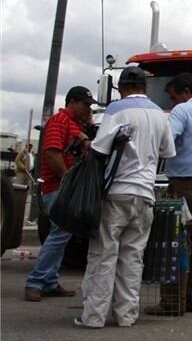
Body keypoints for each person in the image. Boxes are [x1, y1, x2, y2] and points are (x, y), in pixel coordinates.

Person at [75, 67, 175, 328]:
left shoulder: (116, 110)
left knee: (104, 254)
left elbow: (99, 148)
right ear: (146, 88)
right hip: (145, 194)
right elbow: (167, 150)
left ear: (120, 88)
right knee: (133, 257)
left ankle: (94, 317)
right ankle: (126, 316)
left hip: (117, 192)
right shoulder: (160, 115)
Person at [146, 73, 192, 316]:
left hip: (183, 186)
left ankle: (172, 301)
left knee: (174, 243)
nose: (172, 103)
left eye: (173, 97)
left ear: (186, 92)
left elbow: (166, 141)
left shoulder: (182, 111)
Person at [25, 86, 96, 302]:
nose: (88, 110)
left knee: (62, 234)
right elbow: (52, 153)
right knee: (60, 233)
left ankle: (49, 281)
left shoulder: (74, 124)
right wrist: (67, 180)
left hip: (64, 187)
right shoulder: (59, 121)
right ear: (73, 102)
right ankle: (36, 281)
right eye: (86, 105)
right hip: (58, 188)